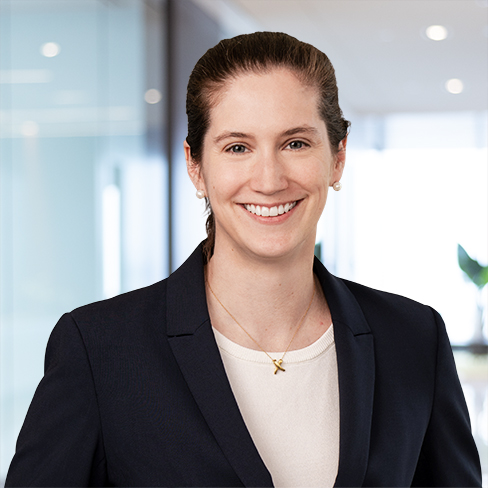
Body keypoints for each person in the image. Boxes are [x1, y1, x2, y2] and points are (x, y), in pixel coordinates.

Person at [6, 32, 482, 488]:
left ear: (337, 158)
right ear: (196, 165)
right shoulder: (101, 349)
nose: (269, 179)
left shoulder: (415, 339)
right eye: (238, 147)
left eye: (296, 143)